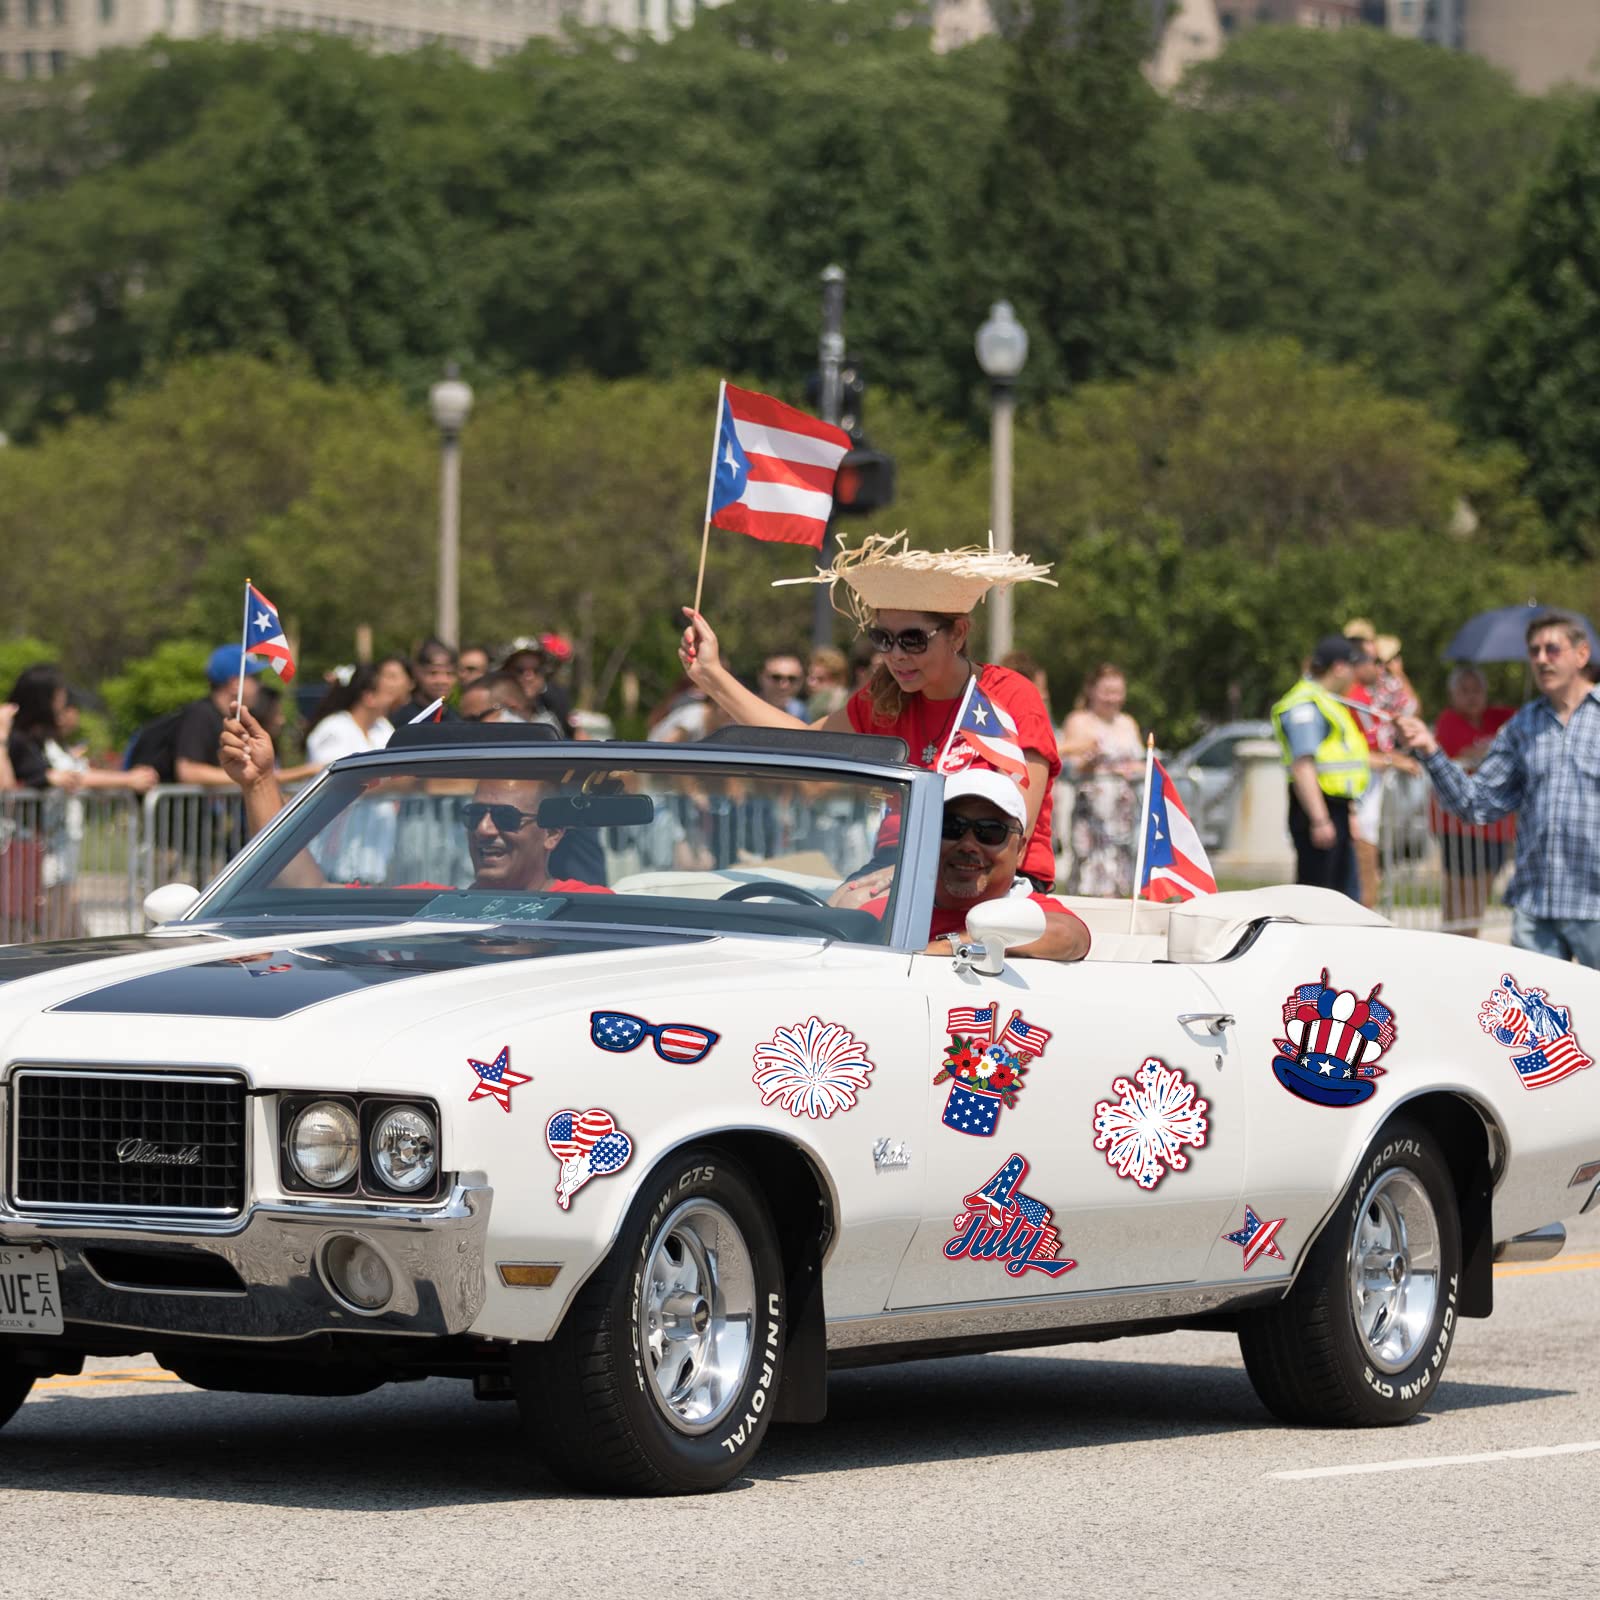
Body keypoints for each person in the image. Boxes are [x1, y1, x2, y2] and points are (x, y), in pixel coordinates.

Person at [679, 533, 1060, 890]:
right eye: (884, 639)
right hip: (894, 867)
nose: (896, 655)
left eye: (913, 640)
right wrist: (711, 676)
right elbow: (803, 745)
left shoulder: (1009, 696)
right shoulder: (884, 697)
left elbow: (1017, 833)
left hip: (993, 875)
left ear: (957, 634)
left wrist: (912, 875)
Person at [218, 708, 607, 895]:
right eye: (474, 815)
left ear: (553, 833)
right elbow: (304, 886)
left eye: (505, 817)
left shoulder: (589, 907)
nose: (485, 830)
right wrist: (259, 783)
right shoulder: (426, 903)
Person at [1399, 610, 1600, 967]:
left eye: (1552, 649)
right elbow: (1477, 803)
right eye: (1534, 651)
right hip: (1536, 908)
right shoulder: (1521, 726)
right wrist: (1430, 750)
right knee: (1535, 1020)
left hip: (1594, 904)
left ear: (1581, 655)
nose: (1540, 659)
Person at [841, 771, 1089, 961]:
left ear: (1021, 849)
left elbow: (1071, 937)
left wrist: (951, 947)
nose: (968, 844)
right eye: (951, 827)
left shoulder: (1028, 910)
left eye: (990, 831)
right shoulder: (892, 913)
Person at [1270, 636, 1371, 894]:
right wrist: (1320, 820)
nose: (1355, 676)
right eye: (1352, 667)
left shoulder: (1325, 700)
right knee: (1317, 900)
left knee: (1340, 899)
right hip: (1317, 810)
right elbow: (1303, 766)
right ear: (1338, 667)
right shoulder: (1306, 705)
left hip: (1333, 809)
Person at [1427, 665, 1516, 938]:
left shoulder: (1499, 716)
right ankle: (1457, 944)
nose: (1472, 696)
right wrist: (1494, 748)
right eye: (1464, 691)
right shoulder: (1449, 720)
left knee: (1479, 894)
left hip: (1496, 824)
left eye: (1477, 690)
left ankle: (1467, 941)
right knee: (1459, 895)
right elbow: (1462, 751)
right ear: (1453, 694)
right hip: (1458, 824)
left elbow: (1522, 730)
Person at [1058, 663, 1143, 897]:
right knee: (1089, 874)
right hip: (1092, 813)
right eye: (1107, 691)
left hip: (1123, 815)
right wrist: (1091, 762)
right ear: (1092, 691)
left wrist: (1129, 769)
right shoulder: (1078, 720)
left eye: (1117, 692)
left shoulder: (1128, 722)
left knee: (1119, 877)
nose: (1112, 698)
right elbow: (1070, 764)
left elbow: (1141, 761)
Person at [173, 646, 266, 785]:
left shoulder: (235, 716)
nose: (260, 685)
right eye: (255, 677)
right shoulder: (200, 714)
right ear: (235, 683)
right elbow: (188, 771)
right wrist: (251, 776)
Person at [303, 658, 412, 765]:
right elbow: (333, 777)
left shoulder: (383, 726)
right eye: (388, 692)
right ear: (369, 697)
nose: (393, 697)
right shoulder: (334, 729)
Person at [396, 638, 459, 723]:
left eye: (449, 673)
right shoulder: (402, 720)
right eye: (433, 673)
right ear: (416, 672)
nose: (442, 681)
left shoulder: (457, 720)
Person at [804, 647, 851, 721]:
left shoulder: (843, 705)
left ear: (837, 681)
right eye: (810, 677)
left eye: (820, 679)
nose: (810, 683)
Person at [758, 651, 807, 718]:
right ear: (761, 677)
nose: (784, 686)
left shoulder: (800, 711)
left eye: (792, 679)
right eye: (776, 677)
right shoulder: (745, 708)